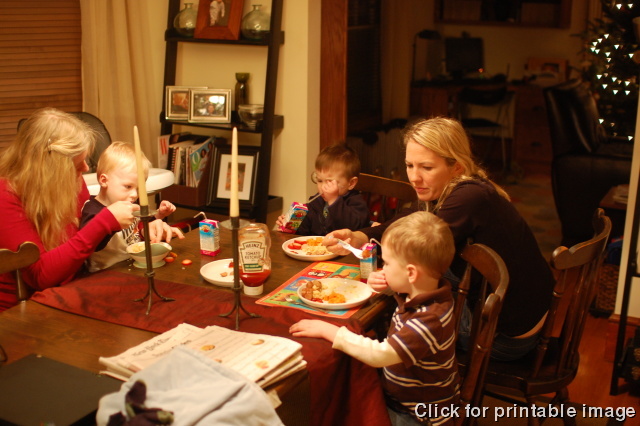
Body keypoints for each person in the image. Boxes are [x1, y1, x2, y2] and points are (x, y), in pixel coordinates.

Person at [325, 117, 555, 361]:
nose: (414, 177)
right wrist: (359, 236)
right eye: (409, 165)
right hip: (516, 314)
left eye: (426, 167)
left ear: (456, 167)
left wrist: (387, 275)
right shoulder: (455, 188)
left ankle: (383, 366)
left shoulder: (469, 197)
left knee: (397, 307)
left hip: (503, 336)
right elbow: (408, 217)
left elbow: (413, 250)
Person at [290, 212, 460, 426]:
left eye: (386, 263)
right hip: (401, 398)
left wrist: (330, 331)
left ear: (411, 274)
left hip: (419, 415)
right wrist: (383, 285)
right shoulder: (426, 291)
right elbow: (403, 293)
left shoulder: (429, 319)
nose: (383, 268)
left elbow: (380, 355)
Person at [0, 108, 139, 312]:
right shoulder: (6, 197)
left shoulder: (71, 179)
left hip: (71, 288)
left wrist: (142, 228)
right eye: (77, 163)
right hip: (22, 310)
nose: (85, 168)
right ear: (49, 167)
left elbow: (86, 242)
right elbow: (40, 277)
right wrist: (104, 222)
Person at [80, 142, 184, 272]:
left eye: (139, 188)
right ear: (104, 180)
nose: (135, 194)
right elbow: (91, 245)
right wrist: (111, 222)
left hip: (132, 264)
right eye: (128, 186)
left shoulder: (129, 201)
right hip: (106, 271)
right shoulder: (92, 210)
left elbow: (142, 224)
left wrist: (158, 214)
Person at [276, 144, 370, 236]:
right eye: (320, 180)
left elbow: (353, 227)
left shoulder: (357, 203)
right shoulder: (316, 202)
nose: (323, 187)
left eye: (329, 181)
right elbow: (305, 231)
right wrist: (291, 226)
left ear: (351, 183)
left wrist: (334, 201)